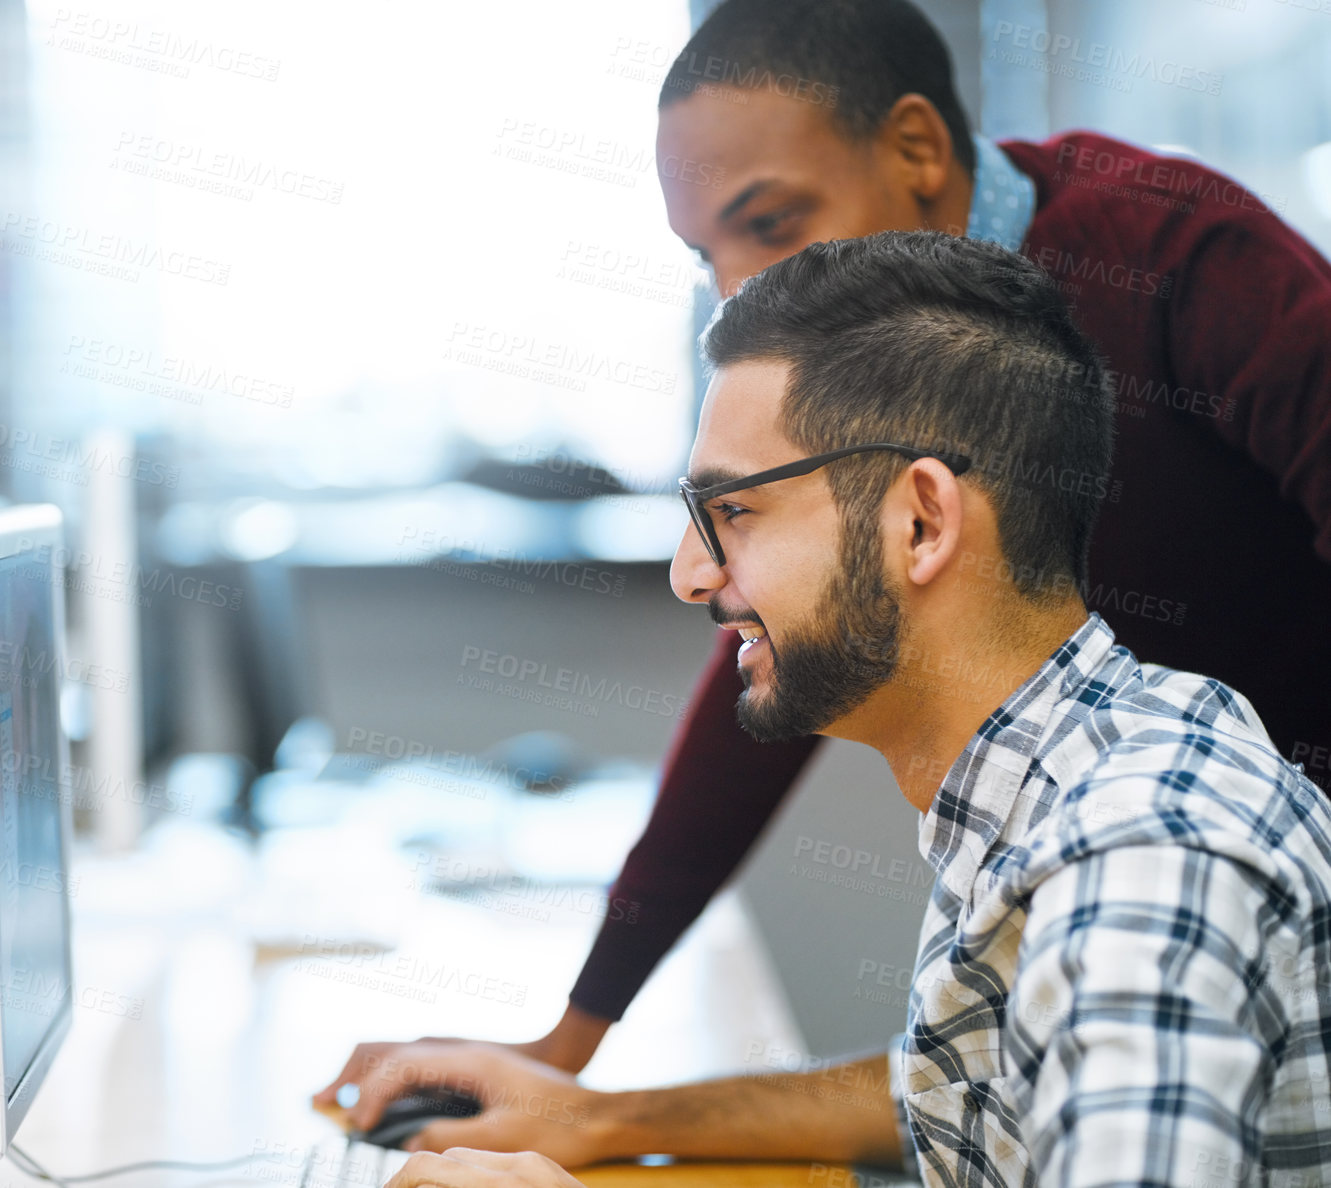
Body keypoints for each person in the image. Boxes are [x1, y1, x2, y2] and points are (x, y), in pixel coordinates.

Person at [317, 0, 1331, 1139]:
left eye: (772, 221)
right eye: (706, 254)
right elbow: (795, 632)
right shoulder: (1008, 809)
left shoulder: (1174, 258)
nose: (740, 289)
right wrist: (576, 1061)